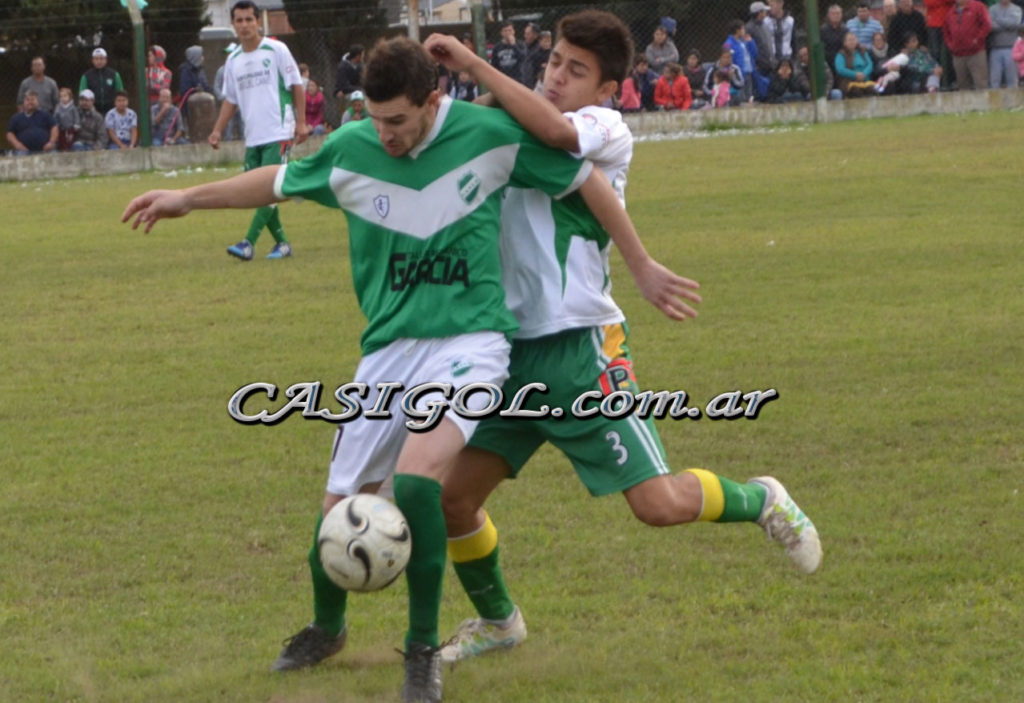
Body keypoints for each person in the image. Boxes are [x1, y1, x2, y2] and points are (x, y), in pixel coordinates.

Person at [125, 31, 685, 703]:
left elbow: (583, 177)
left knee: (419, 484)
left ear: (431, 101)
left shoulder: (486, 134)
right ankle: (327, 628)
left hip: (472, 343)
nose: (384, 134)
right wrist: (188, 197)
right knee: (335, 513)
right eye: (374, 117)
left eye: (396, 120)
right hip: (388, 351)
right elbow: (274, 182)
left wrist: (641, 263)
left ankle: (422, 652)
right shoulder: (352, 147)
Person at [423, 12, 820, 669]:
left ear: (608, 89)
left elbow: (554, 131)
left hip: (581, 348)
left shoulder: (605, 129)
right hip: (508, 354)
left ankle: (761, 498)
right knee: (452, 498)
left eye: (576, 71)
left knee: (657, 505)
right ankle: (498, 621)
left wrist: (471, 65)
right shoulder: (508, 117)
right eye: (554, 61)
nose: (557, 76)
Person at [211, 0, 308, 261]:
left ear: (257, 22)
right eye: (239, 20)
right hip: (253, 136)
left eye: (249, 19)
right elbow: (230, 100)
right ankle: (283, 244)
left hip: (278, 132)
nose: (244, 25)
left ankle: (248, 243)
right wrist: (217, 130)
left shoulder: (276, 50)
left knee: (270, 189)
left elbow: (296, 85)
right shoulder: (233, 60)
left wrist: (301, 122)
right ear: (233, 25)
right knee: (256, 193)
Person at [942, 0, 990, 90]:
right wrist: (951, 45)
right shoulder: (951, 12)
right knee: (963, 86)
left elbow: (986, 25)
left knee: (981, 84)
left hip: (976, 53)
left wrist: (977, 40)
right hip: (958, 55)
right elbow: (946, 31)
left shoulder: (978, 7)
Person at [79, 48, 124, 117]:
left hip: (112, 110)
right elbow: (82, 94)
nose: (99, 61)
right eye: (96, 59)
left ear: (106, 60)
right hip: (92, 111)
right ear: (93, 60)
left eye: (101, 58)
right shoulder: (86, 76)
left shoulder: (114, 75)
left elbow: (120, 93)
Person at [987, 0, 1022, 88]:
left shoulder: (1017, 9)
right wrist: (1007, 24)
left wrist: (997, 20)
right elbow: (990, 25)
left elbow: (1014, 23)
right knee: (994, 80)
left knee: (1012, 80)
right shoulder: (992, 9)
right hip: (995, 48)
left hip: (1012, 48)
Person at [724, 19, 759, 102]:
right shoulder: (729, 44)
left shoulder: (744, 42)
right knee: (741, 97)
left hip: (748, 72)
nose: (744, 31)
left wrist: (751, 42)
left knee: (749, 96)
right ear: (737, 30)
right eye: (743, 29)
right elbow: (726, 59)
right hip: (738, 74)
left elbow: (754, 54)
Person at [835, 30, 877, 95]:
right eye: (849, 40)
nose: (852, 42)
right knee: (857, 91)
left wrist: (864, 74)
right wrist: (855, 75)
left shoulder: (863, 52)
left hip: (865, 80)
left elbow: (870, 64)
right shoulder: (841, 54)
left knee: (873, 90)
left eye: (854, 39)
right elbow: (840, 69)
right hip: (849, 82)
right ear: (845, 43)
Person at [924, 0, 956, 86]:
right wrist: (944, 3)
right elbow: (928, 3)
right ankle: (937, 82)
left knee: (950, 53)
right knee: (935, 54)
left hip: (948, 22)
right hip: (933, 24)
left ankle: (951, 81)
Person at [332, 44, 364, 114]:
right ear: (357, 56)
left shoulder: (359, 66)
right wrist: (359, 89)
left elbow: (361, 81)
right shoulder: (343, 67)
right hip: (344, 93)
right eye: (362, 55)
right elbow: (344, 87)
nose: (363, 57)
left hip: (353, 90)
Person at [747, 1, 775, 74]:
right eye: (764, 11)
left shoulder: (764, 25)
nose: (766, 13)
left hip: (769, 64)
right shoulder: (749, 28)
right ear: (760, 13)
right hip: (759, 66)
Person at [822, 4, 849, 71]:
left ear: (841, 15)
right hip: (827, 61)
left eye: (838, 13)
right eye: (833, 14)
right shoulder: (823, 30)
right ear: (829, 15)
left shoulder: (845, 30)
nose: (836, 15)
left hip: (843, 60)